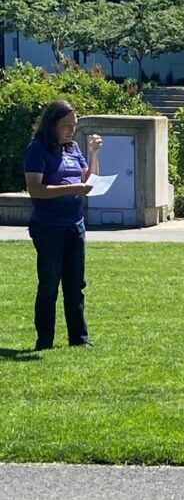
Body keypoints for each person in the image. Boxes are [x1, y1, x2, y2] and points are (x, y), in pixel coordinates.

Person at [23, 99, 102, 350]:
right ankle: (44, 340)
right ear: (52, 124)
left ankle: (79, 339)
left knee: (75, 284)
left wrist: (92, 154)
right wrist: (72, 189)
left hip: (74, 224)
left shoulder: (72, 148)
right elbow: (35, 189)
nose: (71, 130)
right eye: (66, 125)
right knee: (49, 283)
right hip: (48, 226)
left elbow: (87, 179)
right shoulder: (37, 149)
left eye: (74, 125)